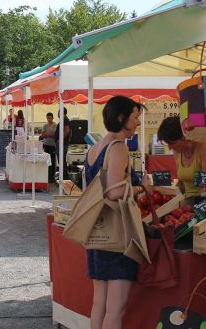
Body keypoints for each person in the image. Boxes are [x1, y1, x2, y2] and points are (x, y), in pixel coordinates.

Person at [84, 96, 146, 329]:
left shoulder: (95, 148)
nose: (138, 123)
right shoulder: (118, 148)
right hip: (117, 234)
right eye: (135, 117)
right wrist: (141, 187)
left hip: (97, 231)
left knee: (99, 303)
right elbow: (114, 192)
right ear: (122, 118)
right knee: (115, 308)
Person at [157, 116, 206, 198]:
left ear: (184, 137)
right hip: (187, 202)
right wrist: (169, 195)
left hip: (201, 203)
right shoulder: (178, 152)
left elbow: (204, 187)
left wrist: (192, 206)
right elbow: (182, 183)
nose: (169, 147)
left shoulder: (202, 148)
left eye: (172, 143)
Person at [40, 112, 57, 183]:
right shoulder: (45, 125)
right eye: (48, 118)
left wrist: (47, 134)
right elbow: (42, 135)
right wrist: (49, 134)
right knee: (46, 160)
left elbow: (55, 134)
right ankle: (46, 176)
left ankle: (52, 177)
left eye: (50, 118)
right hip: (45, 145)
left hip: (53, 145)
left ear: (53, 118)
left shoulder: (55, 125)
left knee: (52, 161)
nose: (49, 119)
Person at [54, 108, 71, 180]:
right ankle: (63, 177)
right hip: (61, 144)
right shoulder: (63, 119)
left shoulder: (64, 118)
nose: (57, 113)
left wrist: (60, 140)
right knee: (61, 161)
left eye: (58, 112)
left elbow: (67, 130)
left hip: (62, 145)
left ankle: (64, 178)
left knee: (62, 161)